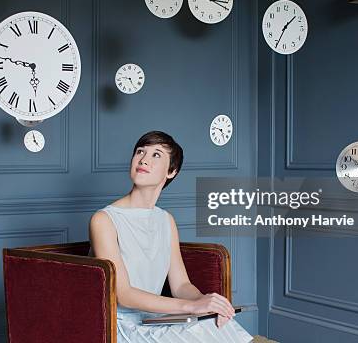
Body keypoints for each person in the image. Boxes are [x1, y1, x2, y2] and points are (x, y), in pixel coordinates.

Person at [88, 131, 254, 342]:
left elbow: (181, 285)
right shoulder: (103, 220)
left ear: (171, 171)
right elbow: (123, 294)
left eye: (156, 154)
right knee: (200, 332)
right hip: (119, 327)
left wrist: (208, 303)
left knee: (219, 324)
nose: (144, 159)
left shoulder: (166, 220)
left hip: (157, 318)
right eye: (140, 151)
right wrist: (191, 307)